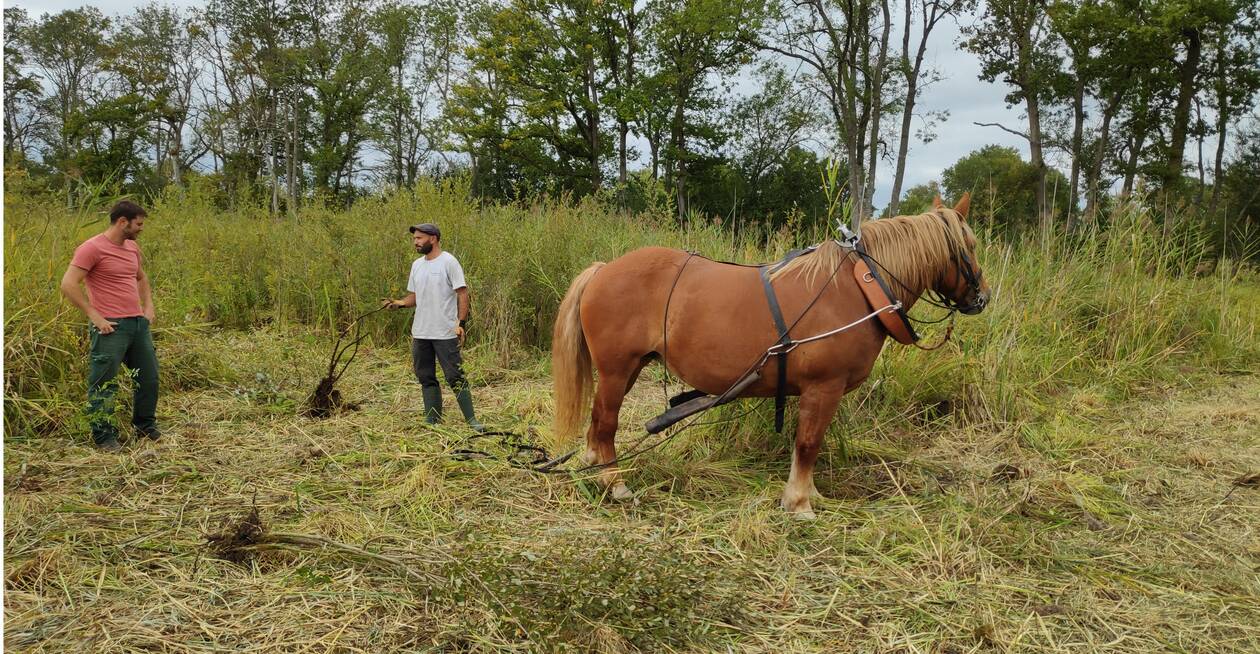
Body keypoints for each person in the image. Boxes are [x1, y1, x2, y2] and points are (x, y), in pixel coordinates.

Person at [59, 200, 161, 451]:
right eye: (138, 224)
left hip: (137, 324)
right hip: (110, 327)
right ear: (122, 222)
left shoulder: (132, 248)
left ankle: (144, 427)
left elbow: (141, 277)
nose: (141, 228)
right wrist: (95, 316)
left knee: (149, 378)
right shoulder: (91, 248)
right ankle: (104, 437)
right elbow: (68, 283)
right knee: (104, 383)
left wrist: (148, 308)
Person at [383, 223, 485, 433]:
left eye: (420, 238)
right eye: (414, 239)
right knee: (426, 376)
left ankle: (472, 420)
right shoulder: (417, 265)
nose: (416, 242)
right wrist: (399, 303)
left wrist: (461, 323)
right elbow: (415, 296)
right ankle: (433, 420)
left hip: (445, 331)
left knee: (455, 376)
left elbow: (462, 293)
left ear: (434, 238)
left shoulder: (449, 262)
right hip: (421, 332)